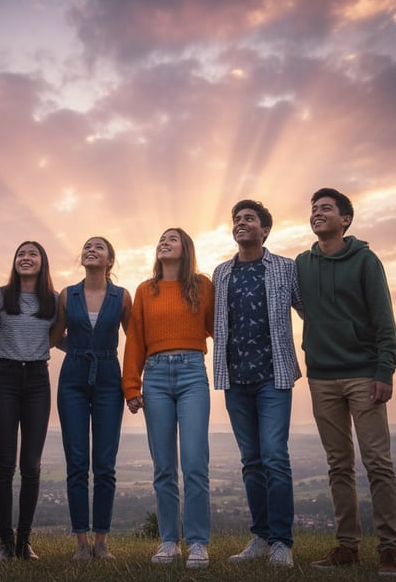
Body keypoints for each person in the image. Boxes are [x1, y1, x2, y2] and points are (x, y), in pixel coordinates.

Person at [296, 188, 396, 577]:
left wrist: (384, 371)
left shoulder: (366, 261)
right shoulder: (302, 264)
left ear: (345, 220)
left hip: (363, 374)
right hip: (321, 377)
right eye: (313, 210)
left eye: (326, 209)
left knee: (378, 462)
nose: (317, 213)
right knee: (338, 464)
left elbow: (384, 320)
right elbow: (300, 304)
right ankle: (347, 547)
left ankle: (390, 549)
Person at [212, 200, 303, 568]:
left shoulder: (286, 268)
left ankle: (282, 542)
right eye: (237, 219)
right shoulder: (220, 273)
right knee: (251, 461)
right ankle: (261, 538)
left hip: (274, 377)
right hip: (235, 379)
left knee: (275, 458)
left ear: (265, 230)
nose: (241, 223)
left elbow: (309, 310)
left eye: (249, 218)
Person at [122, 228, 214, 569]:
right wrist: (131, 387)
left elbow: (219, 328)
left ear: (185, 249)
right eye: (161, 238)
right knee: (163, 467)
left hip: (192, 373)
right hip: (156, 376)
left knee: (194, 464)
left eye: (172, 239)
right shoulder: (146, 290)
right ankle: (168, 542)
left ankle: (198, 543)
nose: (165, 242)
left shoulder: (202, 286)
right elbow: (135, 339)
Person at [50, 237, 132, 560]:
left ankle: (101, 541)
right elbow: (54, 338)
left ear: (110, 259)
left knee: (105, 464)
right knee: (77, 461)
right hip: (72, 379)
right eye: (87, 246)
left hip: (110, 379)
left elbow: (135, 341)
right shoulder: (67, 295)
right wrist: (78, 351)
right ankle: (81, 543)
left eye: (99, 246)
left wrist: (134, 386)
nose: (91, 250)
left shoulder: (122, 296)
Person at [0, 241, 57, 561]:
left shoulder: (54, 300)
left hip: (38, 383)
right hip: (5, 379)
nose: (26, 258)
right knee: (5, 465)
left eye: (33, 254)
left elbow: (58, 336)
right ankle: (5, 542)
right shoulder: (0, 296)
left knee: (30, 465)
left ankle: (23, 542)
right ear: (14, 262)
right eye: (21, 254)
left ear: (42, 263)